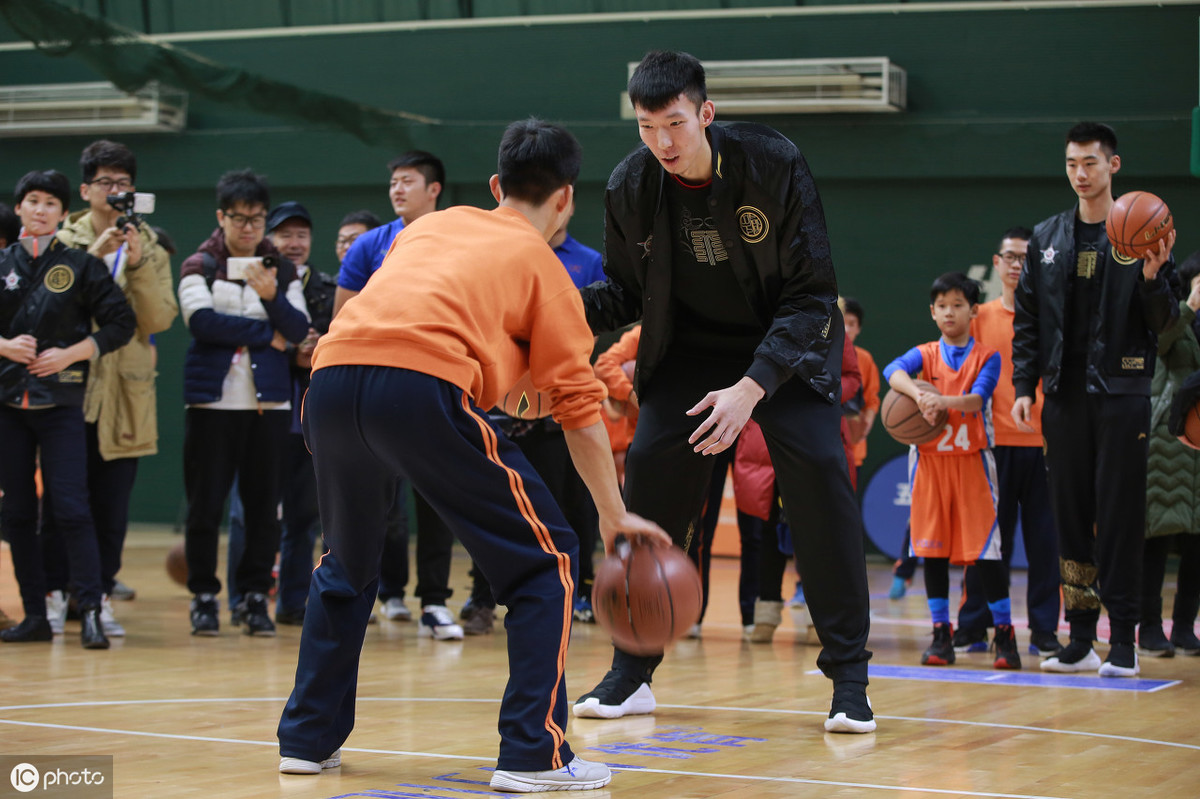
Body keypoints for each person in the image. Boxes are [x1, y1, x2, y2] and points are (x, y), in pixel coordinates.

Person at [276, 118, 668, 792]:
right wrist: (614, 514)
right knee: (549, 562)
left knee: (345, 565)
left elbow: (427, 319)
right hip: (418, 387)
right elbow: (579, 408)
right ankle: (532, 754)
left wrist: (512, 393)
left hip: (333, 380)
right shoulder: (547, 270)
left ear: (495, 186)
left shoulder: (430, 227)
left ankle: (307, 741)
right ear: (567, 197)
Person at [576, 50, 874, 733]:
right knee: (649, 470)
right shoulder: (630, 185)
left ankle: (849, 676)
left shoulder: (773, 162)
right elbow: (623, 292)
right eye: (648, 128)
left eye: (675, 124)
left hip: (786, 350)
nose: (663, 143)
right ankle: (631, 669)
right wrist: (552, 311)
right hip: (688, 351)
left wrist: (752, 387)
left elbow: (810, 295)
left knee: (821, 473)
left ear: (705, 113)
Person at [1013, 121, 1178, 677]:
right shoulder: (1048, 237)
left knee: (1120, 515)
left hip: (1122, 394)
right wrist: (1021, 386)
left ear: (1114, 166)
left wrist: (1155, 281)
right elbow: (1029, 322)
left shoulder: (1143, 233)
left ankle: (1124, 642)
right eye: (1071, 164)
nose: (1080, 174)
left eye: (1090, 163)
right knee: (1071, 516)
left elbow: (1167, 326)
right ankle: (1080, 637)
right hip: (1062, 396)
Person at [38, 140, 178, 638]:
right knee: (59, 500)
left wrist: (138, 265)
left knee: (112, 503)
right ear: (85, 189)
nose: (115, 191)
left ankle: (97, 595)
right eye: (105, 183)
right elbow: (48, 308)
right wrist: (91, 259)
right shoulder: (62, 238)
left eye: (123, 183)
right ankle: (55, 593)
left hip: (125, 388)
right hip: (70, 385)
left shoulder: (150, 246)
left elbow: (159, 317)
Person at [0, 169, 135, 649]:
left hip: (61, 401)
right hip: (9, 405)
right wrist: (4, 346)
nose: (40, 209)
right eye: (32, 200)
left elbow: (122, 322)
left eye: (50, 203)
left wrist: (73, 352)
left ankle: (91, 609)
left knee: (73, 507)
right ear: (18, 208)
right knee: (16, 512)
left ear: (63, 213)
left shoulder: (80, 264)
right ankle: (35, 614)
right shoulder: (3, 264)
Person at [459, 200, 606, 635]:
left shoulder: (588, 262)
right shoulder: (502, 254)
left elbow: (590, 330)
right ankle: (482, 597)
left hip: (559, 401)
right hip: (503, 403)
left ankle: (576, 592)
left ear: (566, 203)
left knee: (570, 506)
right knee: (492, 504)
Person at [177, 168, 310, 638]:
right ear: (222, 217)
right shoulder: (200, 265)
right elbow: (202, 324)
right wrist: (265, 335)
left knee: (262, 508)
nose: (249, 227)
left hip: (268, 407)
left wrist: (272, 298)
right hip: (211, 407)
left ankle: (256, 597)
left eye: (256, 219)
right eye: (239, 218)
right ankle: (204, 597)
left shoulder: (282, 269)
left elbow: (297, 332)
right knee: (205, 507)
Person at [333, 151, 461, 638]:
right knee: (379, 501)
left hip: (436, 385)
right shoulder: (370, 245)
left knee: (437, 500)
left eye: (407, 181)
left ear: (434, 189)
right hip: (377, 389)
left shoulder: (456, 241)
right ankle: (381, 592)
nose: (397, 189)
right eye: (393, 182)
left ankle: (434, 600)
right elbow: (343, 318)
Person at [884, 272, 1019, 669]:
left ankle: (1005, 635)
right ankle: (941, 635)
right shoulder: (924, 354)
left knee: (987, 553)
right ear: (932, 311)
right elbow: (895, 371)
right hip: (929, 465)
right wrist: (918, 394)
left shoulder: (987, 356)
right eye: (942, 305)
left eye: (958, 305)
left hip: (973, 463)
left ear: (973, 311)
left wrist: (940, 401)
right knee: (933, 550)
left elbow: (977, 400)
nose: (949, 312)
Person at [947, 228, 1062, 658]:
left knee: (1046, 545)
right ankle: (973, 625)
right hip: (990, 446)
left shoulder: (1053, 319)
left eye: (1025, 258)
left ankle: (1046, 631)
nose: (1017, 265)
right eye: (1010, 257)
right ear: (997, 264)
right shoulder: (978, 320)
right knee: (987, 541)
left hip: (1045, 446)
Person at [226, 201, 337, 625]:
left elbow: (321, 345)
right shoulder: (248, 279)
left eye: (302, 235)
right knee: (247, 511)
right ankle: (244, 597)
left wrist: (305, 346)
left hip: (311, 420)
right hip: (261, 409)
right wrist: (293, 344)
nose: (294, 243)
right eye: (284, 234)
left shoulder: (330, 288)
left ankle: (292, 602)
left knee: (303, 516)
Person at [1140, 250, 1200, 657]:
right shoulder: (1171, 312)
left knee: (1198, 547)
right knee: (1156, 540)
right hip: (1169, 442)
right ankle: (1149, 629)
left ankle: (1184, 628)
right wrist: (1189, 307)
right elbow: (1158, 344)